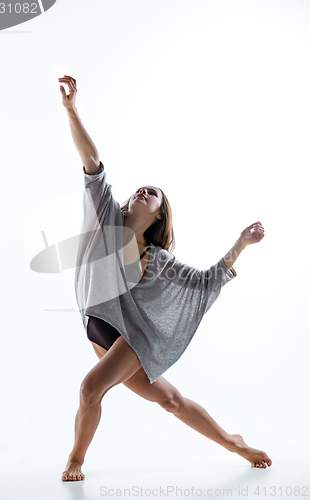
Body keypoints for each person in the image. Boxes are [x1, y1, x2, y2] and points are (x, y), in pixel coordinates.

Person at [58, 75, 272, 481]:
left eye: (152, 193)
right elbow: (91, 162)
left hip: (131, 337)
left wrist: (241, 244)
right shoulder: (105, 216)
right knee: (171, 400)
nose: (142, 192)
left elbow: (208, 280)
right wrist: (71, 110)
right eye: (140, 189)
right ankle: (235, 442)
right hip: (98, 329)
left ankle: (75, 460)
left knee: (90, 391)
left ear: (159, 214)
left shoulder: (157, 259)